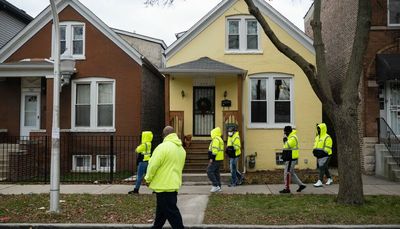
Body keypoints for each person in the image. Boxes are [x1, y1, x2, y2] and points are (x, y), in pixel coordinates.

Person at [145, 126, 186, 229]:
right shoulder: (181, 149)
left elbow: (153, 165)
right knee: (161, 213)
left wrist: (148, 178)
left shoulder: (162, 147)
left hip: (163, 185)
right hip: (173, 184)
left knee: (172, 213)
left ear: (164, 135)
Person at [279, 126, 306, 194]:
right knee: (292, 173)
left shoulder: (293, 137)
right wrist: (286, 140)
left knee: (287, 173)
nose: (284, 133)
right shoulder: (290, 137)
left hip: (291, 158)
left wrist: (285, 141)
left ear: (288, 131)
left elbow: (287, 145)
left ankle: (287, 189)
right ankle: (301, 185)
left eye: (285, 132)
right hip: (290, 158)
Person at [312, 123, 333, 187]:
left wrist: (321, 153)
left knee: (321, 167)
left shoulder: (327, 137)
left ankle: (320, 181)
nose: (318, 130)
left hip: (326, 155)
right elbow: (315, 145)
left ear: (323, 129)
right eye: (317, 129)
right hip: (319, 155)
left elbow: (328, 147)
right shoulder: (317, 137)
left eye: (319, 129)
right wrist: (315, 152)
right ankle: (330, 179)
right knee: (324, 167)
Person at [207, 127, 224, 193]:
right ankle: (218, 186)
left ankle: (215, 185)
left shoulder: (216, 139)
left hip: (215, 159)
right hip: (219, 158)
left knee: (209, 171)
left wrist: (212, 158)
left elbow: (215, 150)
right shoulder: (220, 139)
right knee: (216, 173)